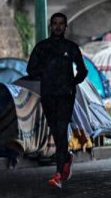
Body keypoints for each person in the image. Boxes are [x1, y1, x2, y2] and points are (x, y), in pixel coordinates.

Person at [26, 13, 87, 188]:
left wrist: (72, 82)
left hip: (65, 96)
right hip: (48, 95)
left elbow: (83, 70)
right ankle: (65, 158)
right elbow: (31, 69)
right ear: (50, 26)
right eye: (55, 24)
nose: (58, 27)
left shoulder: (71, 47)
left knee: (61, 129)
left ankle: (59, 172)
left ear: (66, 26)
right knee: (56, 131)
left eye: (61, 24)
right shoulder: (42, 48)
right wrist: (46, 76)